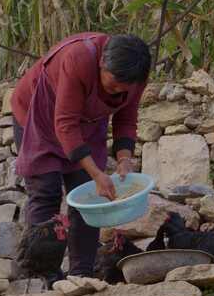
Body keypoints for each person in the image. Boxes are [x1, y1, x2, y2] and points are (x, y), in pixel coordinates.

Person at [10, 32, 151, 281]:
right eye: (113, 83)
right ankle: (48, 276)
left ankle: (81, 275)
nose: (118, 90)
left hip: (86, 123)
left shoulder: (136, 76)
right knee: (46, 192)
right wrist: (97, 174)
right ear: (101, 64)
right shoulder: (78, 58)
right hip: (40, 115)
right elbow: (65, 124)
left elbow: (126, 119)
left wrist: (124, 159)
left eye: (123, 87)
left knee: (87, 200)